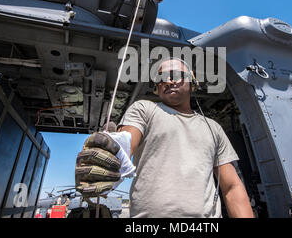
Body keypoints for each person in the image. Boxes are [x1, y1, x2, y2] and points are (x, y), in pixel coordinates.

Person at [76, 58, 254, 218]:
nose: (169, 80)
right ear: (156, 88)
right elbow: (125, 144)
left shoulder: (213, 128)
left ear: (193, 82)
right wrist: (110, 153)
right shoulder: (144, 109)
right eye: (161, 78)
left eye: (176, 74)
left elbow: (232, 187)